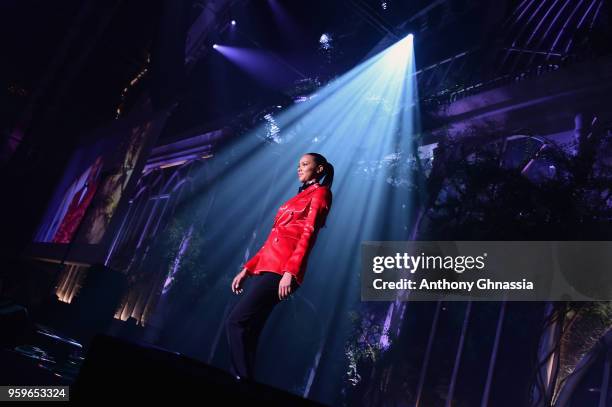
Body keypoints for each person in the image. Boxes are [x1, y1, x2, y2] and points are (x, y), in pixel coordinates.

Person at [225, 152, 334, 381]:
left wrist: (291, 271)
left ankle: (241, 379)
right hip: (269, 266)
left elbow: (309, 234)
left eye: (305, 164)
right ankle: (245, 379)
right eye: (298, 165)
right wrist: (247, 269)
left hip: (282, 270)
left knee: (236, 321)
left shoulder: (321, 193)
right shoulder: (300, 195)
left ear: (320, 169)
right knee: (251, 328)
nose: (299, 168)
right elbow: (273, 238)